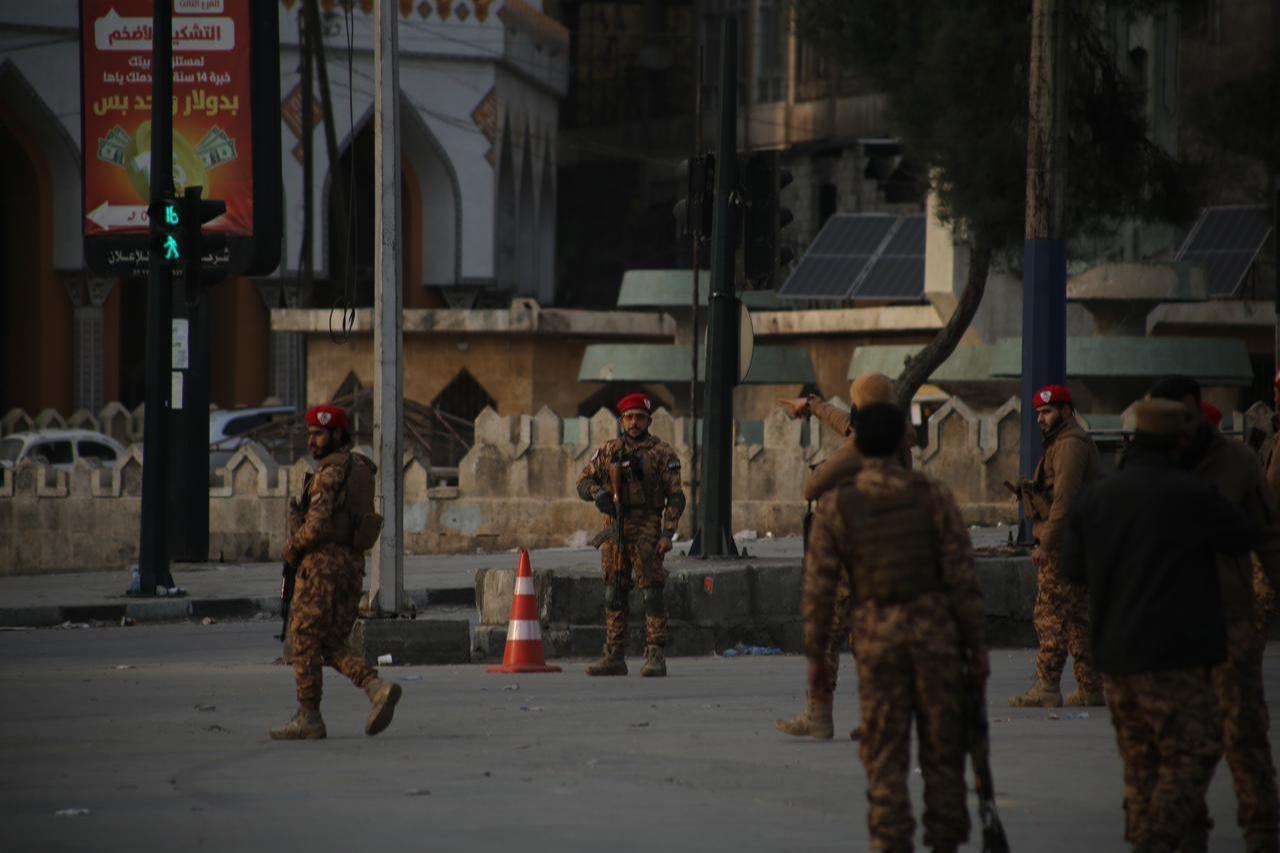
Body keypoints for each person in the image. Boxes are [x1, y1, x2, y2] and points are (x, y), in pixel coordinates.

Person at [1062, 398, 1258, 852]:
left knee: (1140, 762)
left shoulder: (1097, 498)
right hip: (1179, 653)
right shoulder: (1193, 495)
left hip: (1118, 654)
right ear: (1179, 443)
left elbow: (1073, 569)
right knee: (1194, 751)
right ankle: (1156, 836)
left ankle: (1149, 835)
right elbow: (1241, 536)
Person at [804, 403, 988, 852]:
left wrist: (816, 659)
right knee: (943, 756)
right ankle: (945, 841)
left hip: (878, 644)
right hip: (935, 642)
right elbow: (962, 579)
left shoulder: (839, 505)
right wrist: (976, 649)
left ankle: (890, 841)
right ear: (904, 442)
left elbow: (819, 591)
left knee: (885, 759)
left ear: (860, 445)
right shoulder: (933, 496)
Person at [1151, 376, 1280, 853]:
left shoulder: (1236, 463)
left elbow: (1269, 537)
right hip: (1168, 627)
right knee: (1176, 739)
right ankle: (1187, 832)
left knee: (1244, 735)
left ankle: (1262, 832)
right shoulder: (1149, 463)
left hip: (1229, 621)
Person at [774, 372, 905, 739]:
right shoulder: (897, 438)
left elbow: (812, 487)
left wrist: (824, 468)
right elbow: (847, 423)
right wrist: (813, 406)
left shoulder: (859, 448)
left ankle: (818, 716)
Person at [271, 404, 400, 740]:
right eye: (310, 434)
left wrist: (292, 547)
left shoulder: (329, 474)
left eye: (319, 434)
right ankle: (375, 686)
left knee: (303, 639)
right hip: (351, 566)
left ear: (337, 434)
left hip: (321, 568)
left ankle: (309, 716)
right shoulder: (360, 469)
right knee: (331, 643)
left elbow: (316, 527)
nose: (312, 441)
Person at [575, 393, 686, 677]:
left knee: (651, 591)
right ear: (622, 420)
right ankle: (614, 655)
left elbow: (676, 497)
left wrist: (668, 533)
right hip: (614, 528)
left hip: (647, 527)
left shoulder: (662, 453)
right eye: (629, 417)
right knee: (614, 591)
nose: (634, 423)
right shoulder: (609, 450)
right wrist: (598, 493)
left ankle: (655, 654)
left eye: (639, 417)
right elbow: (583, 481)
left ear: (649, 420)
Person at [1009, 384, 1103, 708]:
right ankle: (1090, 686)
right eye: (1038, 413)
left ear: (1066, 411)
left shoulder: (1069, 445)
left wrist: (1046, 544)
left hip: (1064, 545)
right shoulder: (1065, 442)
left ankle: (1047, 685)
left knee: (1050, 614)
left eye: (1047, 412)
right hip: (1078, 542)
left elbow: (1065, 499)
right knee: (1078, 617)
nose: (1041, 419)